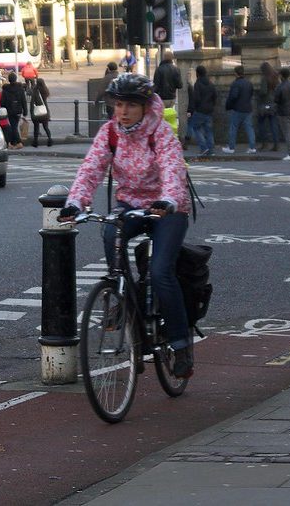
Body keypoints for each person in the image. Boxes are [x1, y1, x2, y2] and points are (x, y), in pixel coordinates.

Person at [57, 73, 195, 378]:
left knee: (161, 273)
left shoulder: (159, 132)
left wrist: (169, 200)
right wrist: (75, 203)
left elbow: (172, 170)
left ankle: (181, 344)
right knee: (110, 232)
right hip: (131, 204)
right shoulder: (110, 133)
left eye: (131, 105)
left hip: (167, 208)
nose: (123, 111)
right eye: (118, 104)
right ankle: (122, 298)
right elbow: (90, 169)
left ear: (145, 106)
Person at [222, 65, 256, 155]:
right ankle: (252, 147)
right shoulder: (249, 83)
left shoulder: (236, 84)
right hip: (248, 108)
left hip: (238, 109)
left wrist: (228, 106)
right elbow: (251, 93)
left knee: (233, 128)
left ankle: (231, 147)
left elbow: (233, 97)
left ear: (235, 73)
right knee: (249, 128)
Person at [187, 65, 216, 157]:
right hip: (209, 111)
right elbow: (215, 96)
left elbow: (196, 98)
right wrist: (211, 105)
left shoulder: (197, 84)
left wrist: (192, 109)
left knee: (196, 128)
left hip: (200, 110)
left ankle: (203, 148)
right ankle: (211, 150)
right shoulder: (211, 84)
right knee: (209, 131)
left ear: (197, 73)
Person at [255, 61, 281, 152]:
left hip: (265, 103)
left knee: (262, 124)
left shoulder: (265, 78)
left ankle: (264, 143)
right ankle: (276, 144)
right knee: (274, 125)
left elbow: (263, 92)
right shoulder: (276, 77)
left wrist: (258, 95)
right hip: (274, 104)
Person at [0, 71, 28, 149]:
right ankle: (14, 142)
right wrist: (25, 111)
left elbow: (2, 102)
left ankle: (18, 142)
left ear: (9, 80)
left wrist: (5, 106)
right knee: (14, 126)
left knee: (13, 126)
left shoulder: (5, 90)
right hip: (18, 110)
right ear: (15, 79)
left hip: (9, 110)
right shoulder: (20, 89)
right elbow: (23, 101)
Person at [30, 77, 53, 147]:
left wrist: (32, 113)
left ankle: (35, 142)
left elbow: (32, 103)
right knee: (46, 127)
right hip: (45, 111)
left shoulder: (35, 91)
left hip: (37, 112)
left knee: (36, 128)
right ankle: (49, 140)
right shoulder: (45, 91)